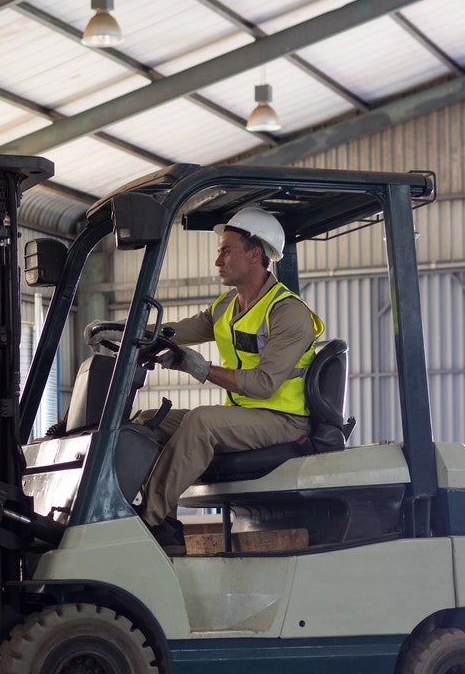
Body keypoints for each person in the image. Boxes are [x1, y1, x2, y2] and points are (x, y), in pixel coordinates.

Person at [134, 207, 323, 555]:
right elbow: (176, 332)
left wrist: (201, 368)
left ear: (255, 254)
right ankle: (140, 515)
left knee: (203, 421)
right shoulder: (225, 307)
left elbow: (265, 384)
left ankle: (150, 521)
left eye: (226, 250)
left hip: (283, 421)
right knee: (147, 422)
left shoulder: (288, 312)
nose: (217, 260)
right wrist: (128, 333)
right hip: (246, 417)